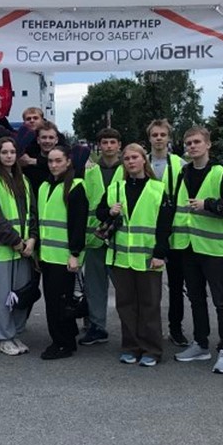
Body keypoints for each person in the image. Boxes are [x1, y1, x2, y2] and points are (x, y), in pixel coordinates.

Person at [171, 126, 223, 374]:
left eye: (196, 142)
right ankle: (200, 343)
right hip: (188, 245)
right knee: (195, 298)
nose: (192, 146)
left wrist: (209, 204)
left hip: (213, 248)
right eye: (189, 143)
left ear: (208, 145)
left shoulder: (220, 173)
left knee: (221, 301)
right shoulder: (183, 172)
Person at [99, 144, 173, 367]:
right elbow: (99, 212)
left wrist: (160, 254)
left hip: (148, 257)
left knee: (150, 305)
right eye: (127, 158)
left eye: (135, 157)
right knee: (126, 305)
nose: (131, 162)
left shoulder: (157, 189)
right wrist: (109, 211)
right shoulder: (116, 188)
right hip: (121, 257)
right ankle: (130, 347)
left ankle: (152, 349)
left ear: (144, 160)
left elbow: (164, 226)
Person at [0, 135, 38, 356]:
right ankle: (1, 337)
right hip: (2, 248)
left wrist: (32, 239)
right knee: (1, 296)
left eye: (12, 152)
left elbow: (33, 213)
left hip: (24, 249)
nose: (9, 156)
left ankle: (14, 333)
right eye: (4, 152)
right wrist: (15, 241)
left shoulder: (23, 180)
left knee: (20, 295)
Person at [36, 144, 88, 360]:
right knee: (54, 301)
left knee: (59, 303)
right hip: (47, 255)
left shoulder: (75, 187)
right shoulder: (44, 187)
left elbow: (78, 224)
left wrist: (74, 254)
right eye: (50, 161)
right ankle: (67, 336)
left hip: (65, 257)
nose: (54, 165)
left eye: (58, 161)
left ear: (68, 162)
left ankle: (62, 343)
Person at [80, 127, 124, 346]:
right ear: (99, 146)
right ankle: (97, 327)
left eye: (112, 142)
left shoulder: (127, 169)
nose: (108, 146)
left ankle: (131, 328)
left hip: (120, 236)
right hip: (95, 236)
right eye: (105, 142)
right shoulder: (89, 172)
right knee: (95, 285)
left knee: (124, 286)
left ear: (119, 145)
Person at [147, 118, 188, 347]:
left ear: (169, 138)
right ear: (149, 138)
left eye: (162, 135)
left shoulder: (179, 164)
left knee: (176, 285)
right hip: (148, 232)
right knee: (149, 288)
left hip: (175, 234)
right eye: (155, 135)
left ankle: (175, 328)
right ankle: (150, 330)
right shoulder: (142, 161)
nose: (159, 139)